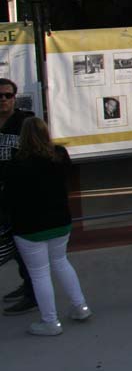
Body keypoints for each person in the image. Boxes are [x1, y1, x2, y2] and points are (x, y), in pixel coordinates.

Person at [1, 118, 91, 335]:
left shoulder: (15, 164)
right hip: (60, 222)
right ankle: (81, 307)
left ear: (22, 137)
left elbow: (8, 198)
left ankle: (50, 321)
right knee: (61, 262)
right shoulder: (59, 155)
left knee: (39, 273)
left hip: (29, 228)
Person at [0, 77, 38, 317]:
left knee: (25, 244)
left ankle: (33, 294)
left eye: (8, 95)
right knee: (11, 244)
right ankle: (27, 283)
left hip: (22, 195)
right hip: (1, 196)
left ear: (14, 98)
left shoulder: (25, 122)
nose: (3, 99)